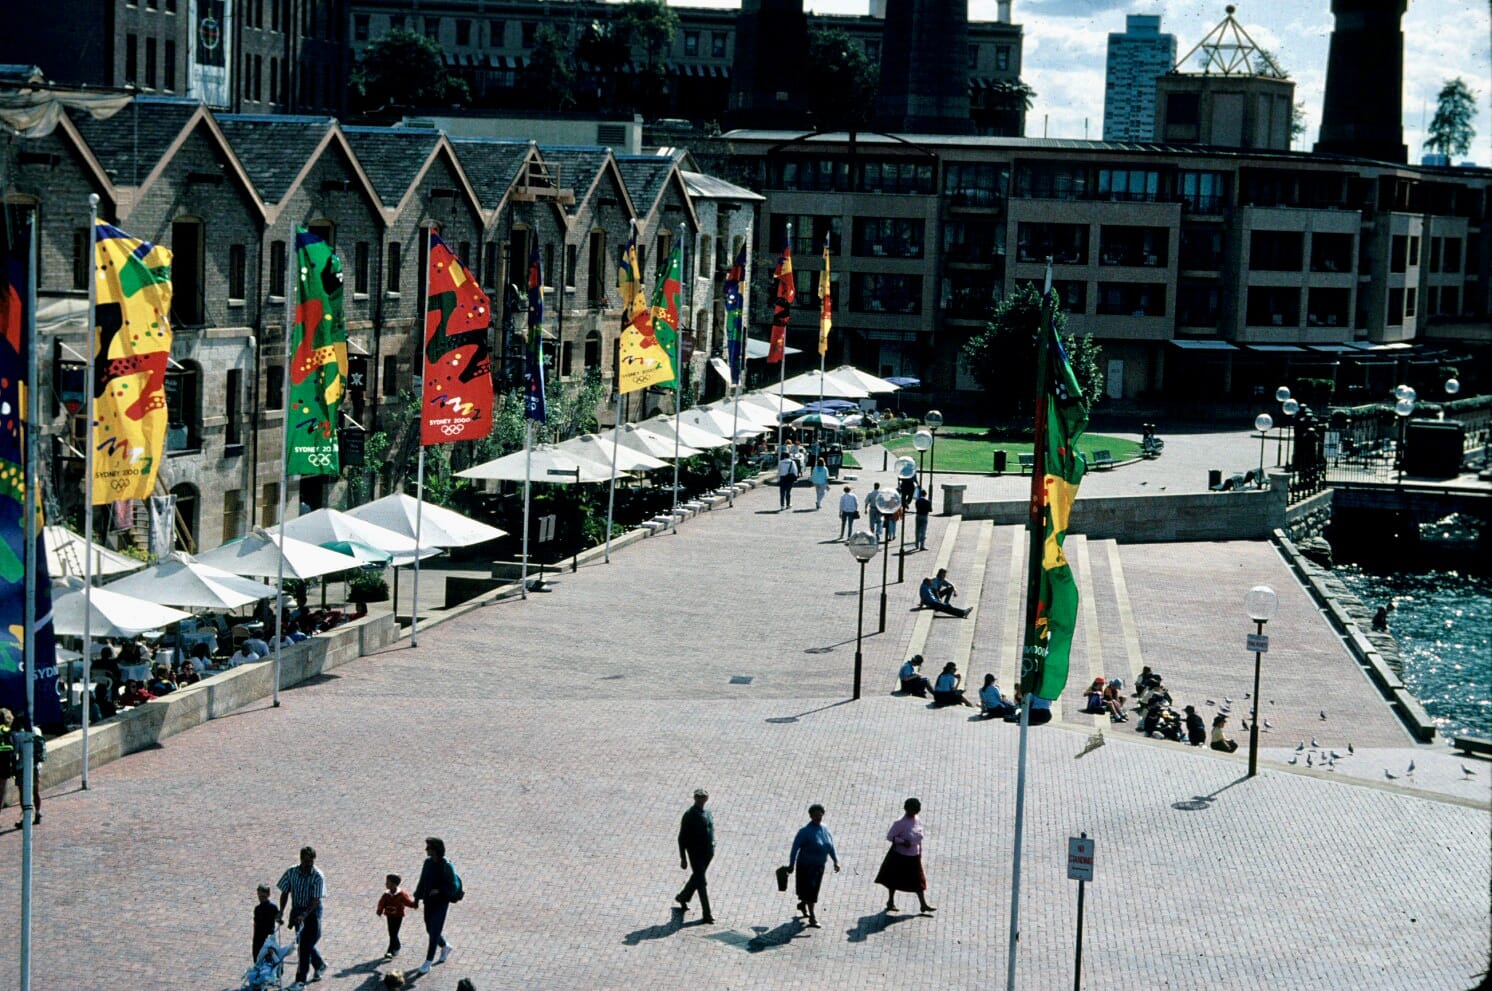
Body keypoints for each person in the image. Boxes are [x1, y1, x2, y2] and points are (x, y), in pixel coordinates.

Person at [277, 845, 327, 989]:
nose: (309, 864)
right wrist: (281, 911)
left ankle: (300, 980)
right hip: (297, 910)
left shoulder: (317, 876)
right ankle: (319, 964)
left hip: (312, 913)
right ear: (300, 859)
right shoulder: (291, 872)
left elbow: (316, 899)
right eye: (306, 861)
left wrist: (305, 914)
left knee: (304, 948)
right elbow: (285, 892)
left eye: (311, 861)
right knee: (303, 942)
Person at [875, 798, 935, 914]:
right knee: (894, 880)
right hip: (900, 856)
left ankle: (923, 904)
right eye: (911, 810)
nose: (913, 812)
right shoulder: (900, 823)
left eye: (915, 810)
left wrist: (919, 851)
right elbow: (890, 836)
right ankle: (890, 902)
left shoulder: (917, 819)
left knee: (918, 880)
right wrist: (902, 842)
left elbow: (919, 836)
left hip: (914, 856)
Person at [411, 837, 459, 975]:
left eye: (428, 847)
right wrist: (417, 897)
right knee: (429, 928)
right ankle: (445, 946)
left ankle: (428, 961)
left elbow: (454, 886)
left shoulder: (447, 866)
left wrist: (439, 890)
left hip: (440, 904)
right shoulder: (428, 862)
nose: (426, 850)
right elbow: (422, 880)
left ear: (435, 850)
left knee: (434, 931)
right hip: (428, 901)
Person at [787, 804, 840, 928]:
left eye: (820, 815)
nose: (818, 818)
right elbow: (795, 849)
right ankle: (812, 917)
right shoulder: (804, 832)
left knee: (812, 890)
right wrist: (791, 865)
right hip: (806, 867)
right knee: (811, 892)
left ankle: (803, 904)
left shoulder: (825, 829)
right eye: (815, 816)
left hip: (819, 867)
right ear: (810, 816)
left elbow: (830, 846)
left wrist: (836, 861)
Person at [675, 788, 715, 923]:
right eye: (699, 798)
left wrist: (713, 845)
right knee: (701, 882)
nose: (701, 800)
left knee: (697, 878)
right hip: (695, 853)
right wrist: (683, 858)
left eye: (703, 798)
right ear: (695, 799)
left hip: (707, 853)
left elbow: (711, 829)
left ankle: (682, 897)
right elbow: (682, 838)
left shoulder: (708, 813)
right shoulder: (689, 815)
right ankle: (707, 914)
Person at [377, 872, 416, 960]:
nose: (386, 884)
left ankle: (389, 951)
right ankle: (397, 945)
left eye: (388, 882)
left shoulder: (401, 894)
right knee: (392, 932)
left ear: (394, 884)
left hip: (398, 916)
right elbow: (382, 903)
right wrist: (380, 910)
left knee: (393, 933)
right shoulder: (386, 894)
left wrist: (414, 904)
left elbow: (407, 902)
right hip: (389, 915)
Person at [252, 884, 279, 962]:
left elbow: (278, 918)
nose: (261, 899)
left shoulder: (273, 907)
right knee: (257, 958)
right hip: (258, 937)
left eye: (263, 896)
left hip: (268, 937)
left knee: (269, 958)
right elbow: (255, 924)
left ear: (268, 895)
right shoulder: (257, 909)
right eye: (260, 896)